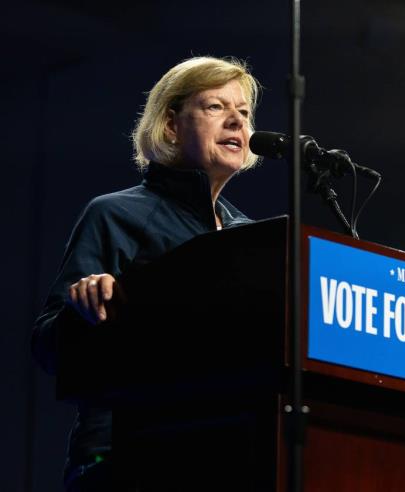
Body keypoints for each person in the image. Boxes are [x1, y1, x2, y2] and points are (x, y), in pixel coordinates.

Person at [31, 56, 261, 491]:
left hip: (224, 457)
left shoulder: (248, 237)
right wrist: (82, 309)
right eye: (216, 107)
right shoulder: (116, 214)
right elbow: (46, 347)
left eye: (245, 113)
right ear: (171, 126)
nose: (236, 121)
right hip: (123, 457)